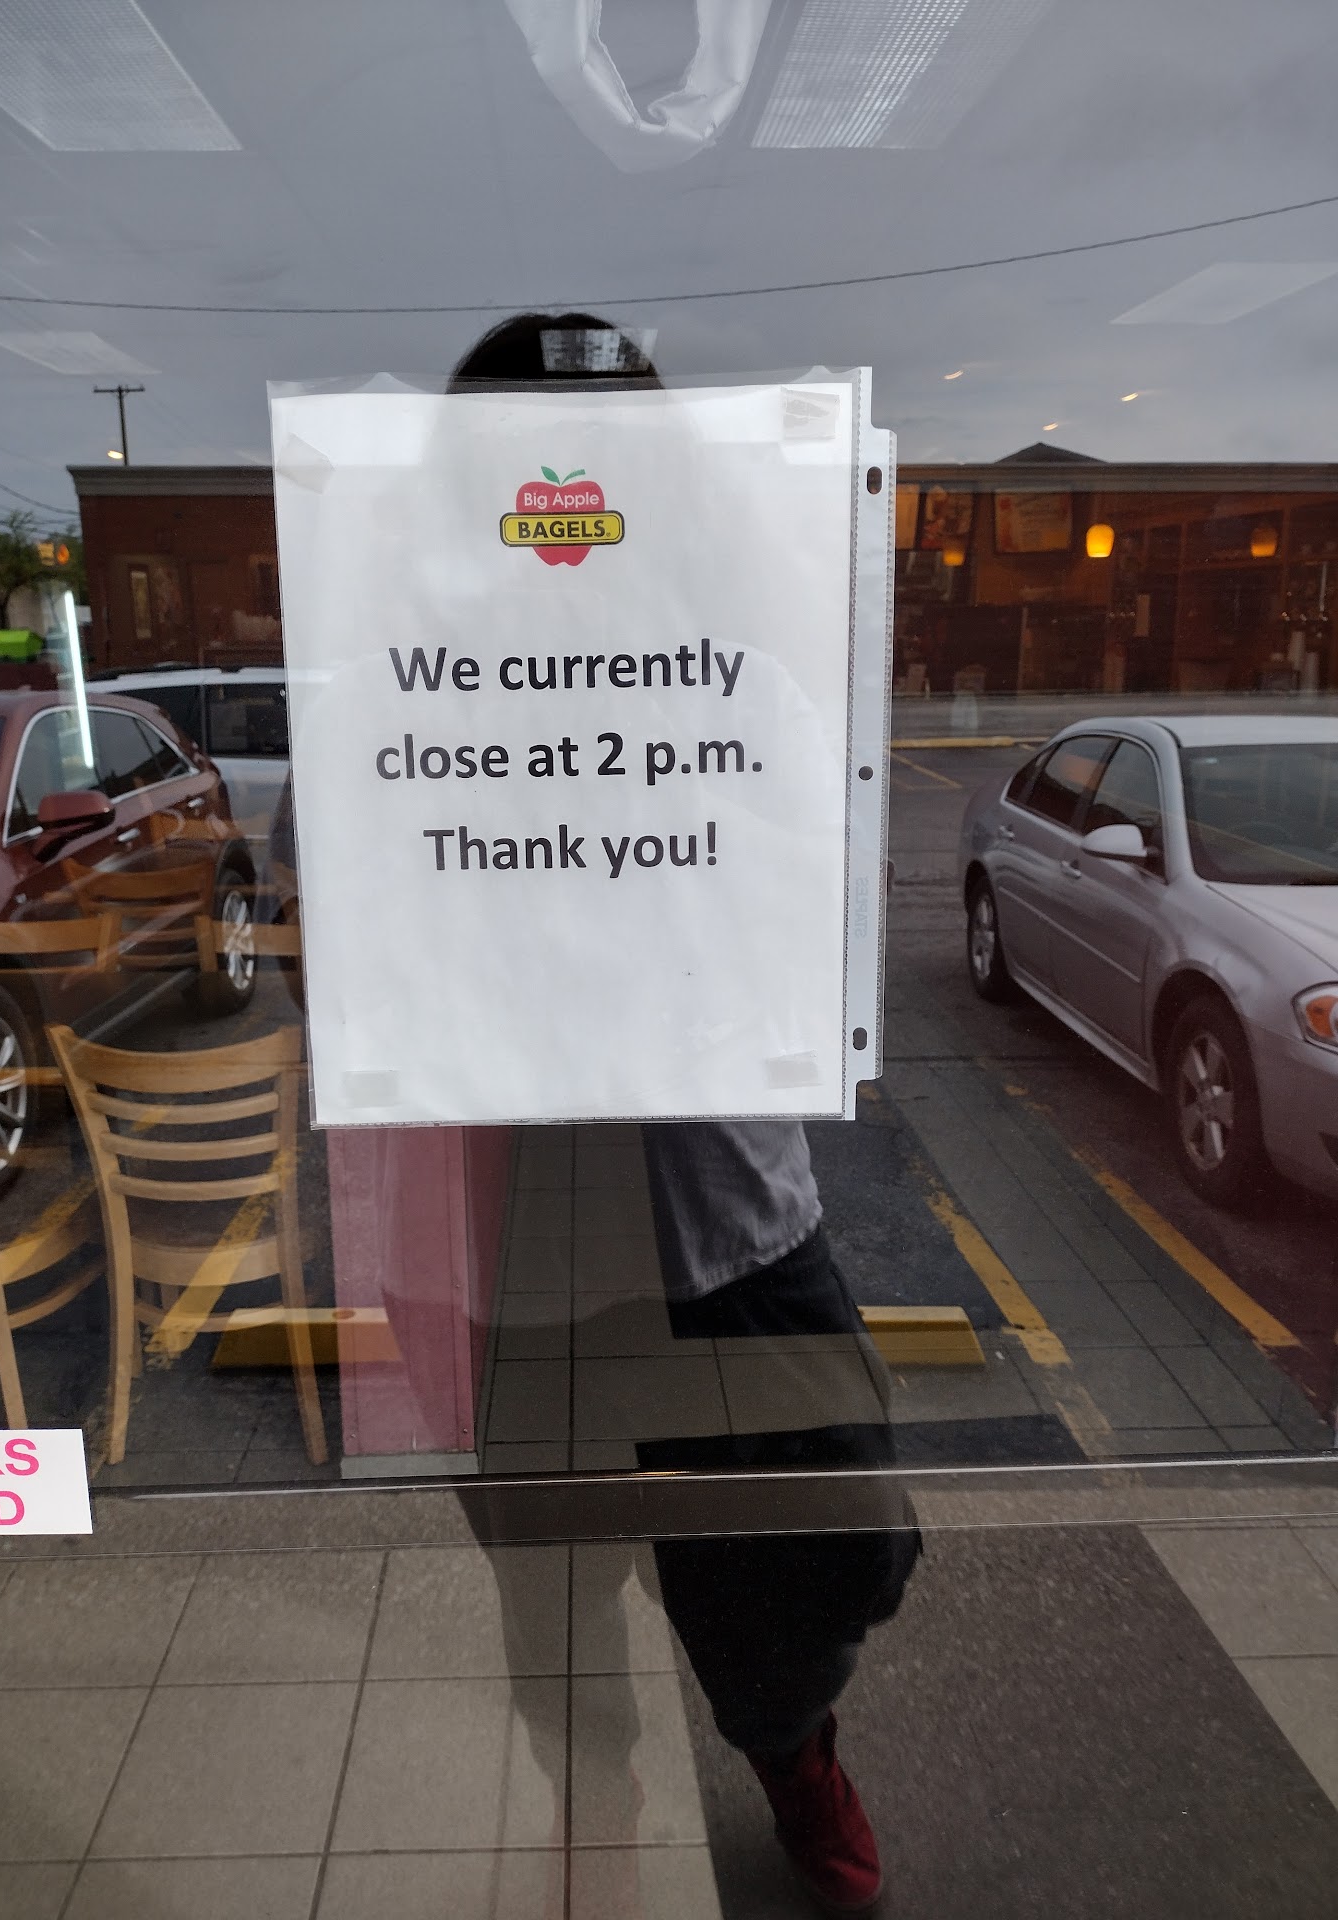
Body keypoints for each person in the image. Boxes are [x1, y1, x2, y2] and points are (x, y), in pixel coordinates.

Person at [449, 313, 922, 1916]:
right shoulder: (401, 708)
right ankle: (599, 1800)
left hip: (729, 1231)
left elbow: (828, 927)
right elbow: (346, 947)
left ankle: (791, 1748)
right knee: (554, 1602)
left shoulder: (738, 689)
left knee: (828, 1552)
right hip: (521, 1263)